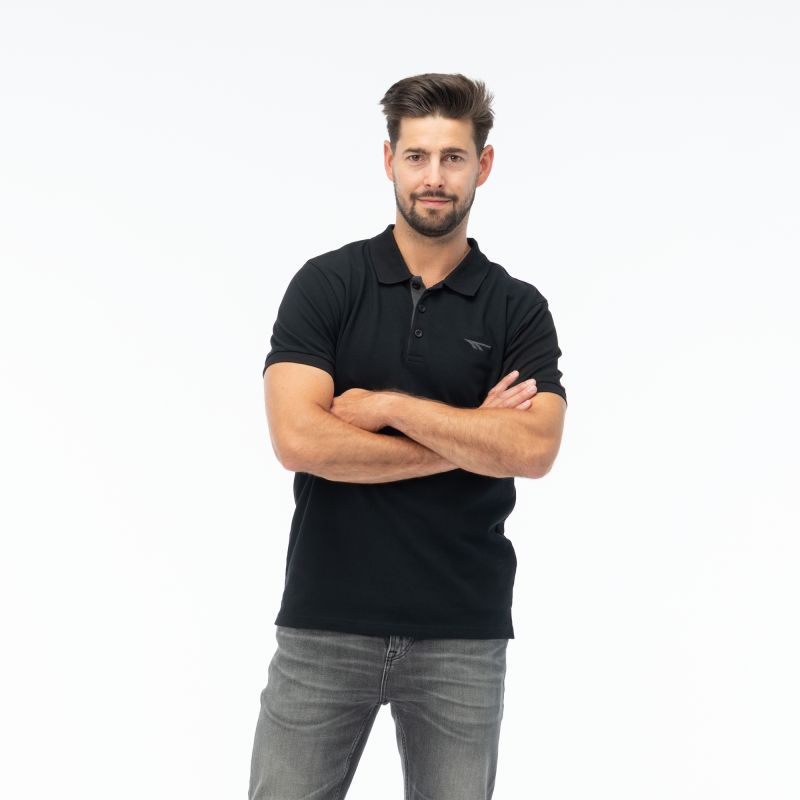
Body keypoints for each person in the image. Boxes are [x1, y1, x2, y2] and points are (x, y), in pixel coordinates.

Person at [248, 72, 568, 800]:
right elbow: (299, 439)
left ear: (483, 165)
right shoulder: (328, 285)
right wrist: (470, 436)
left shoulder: (516, 308)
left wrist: (388, 405)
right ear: (389, 159)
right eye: (417, 156)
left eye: (453, 157)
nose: (434, 177)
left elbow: (533, 449)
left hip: (462, 632)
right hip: (326, 620)